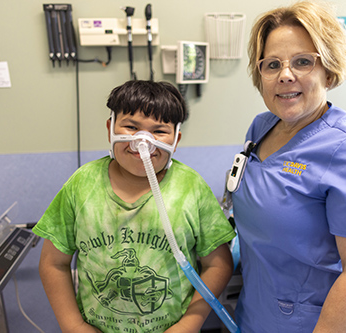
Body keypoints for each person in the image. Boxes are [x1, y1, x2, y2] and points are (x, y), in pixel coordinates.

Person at [230, 1, 346, 332]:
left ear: (328, 69)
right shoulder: (261, 128)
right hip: (257, 317)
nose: (285, 75)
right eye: (272, 64)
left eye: (303, 62)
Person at [33, 80, 236, 333]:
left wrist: (189, 324)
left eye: (159, 131)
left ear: (176, 139)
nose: (144, 140)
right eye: (131, 127)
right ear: (110, 128)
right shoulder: (81, 185)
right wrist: (73, 325)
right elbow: (54, 263)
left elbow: (219, 265)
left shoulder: (191, 188)